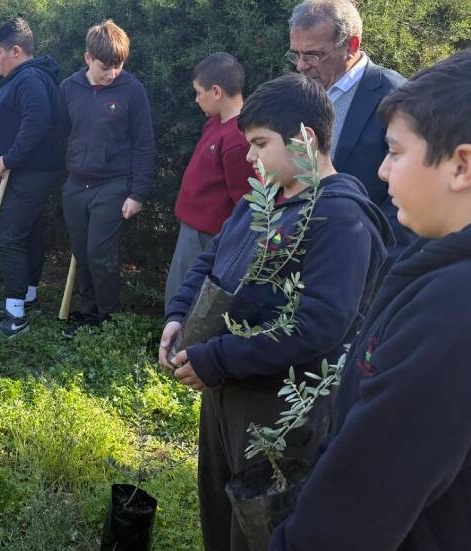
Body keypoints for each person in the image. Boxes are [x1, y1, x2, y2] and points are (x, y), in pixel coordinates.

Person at [159, 73, 392, 551]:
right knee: (220, 516)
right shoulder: (261, 201)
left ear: (305, 139)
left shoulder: (341, 219)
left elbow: (319, 326)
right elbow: (212, 258)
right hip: (225, 395)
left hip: (279, 416)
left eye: (260, 143)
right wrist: (179, 314)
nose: (250, 156)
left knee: (261, 525)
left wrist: (217, 358)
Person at [270, 49, 471, 551]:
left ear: (461, 165)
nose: (381, 172)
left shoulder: (452, 313)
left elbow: (362, 499)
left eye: (396, 152)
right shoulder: (434, 262)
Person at [288, 0, 412, 260]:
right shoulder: (302, 90)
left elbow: (410, 192)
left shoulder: (395, 95)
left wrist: (367, 252)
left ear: (351, 46)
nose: (300, 65)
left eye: (312, 55)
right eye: (295, 54)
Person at [59, 19, 156, 337]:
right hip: (76, 184)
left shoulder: (133, 90)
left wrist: (137, 193)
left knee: (100, 255)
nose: (112, 72)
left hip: (113, 185)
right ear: (88, 58)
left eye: (118, 65)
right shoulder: (69, 88)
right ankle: (88, 315)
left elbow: (144, 143)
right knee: (82, 253)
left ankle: (109, 320)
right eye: (105, 66)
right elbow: (62, 134)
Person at [0, 17, 60, 342]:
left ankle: (15, 316)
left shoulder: (29, 81)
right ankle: (27, 297)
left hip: (28, 173)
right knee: (28, 234)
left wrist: (9, 158)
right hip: (31, 173)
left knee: (7, 237)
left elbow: (38, 120)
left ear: (15, 50)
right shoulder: (25, 78)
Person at [164, 52, 255, 305]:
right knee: (176, 292)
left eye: (198, 92)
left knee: (184, 299)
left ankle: (176, 344)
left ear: (216, 91)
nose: (196, 99)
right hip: (191, 228)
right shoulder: (215, 123)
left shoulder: (238, 139)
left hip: (207, 236)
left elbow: (244, 202)